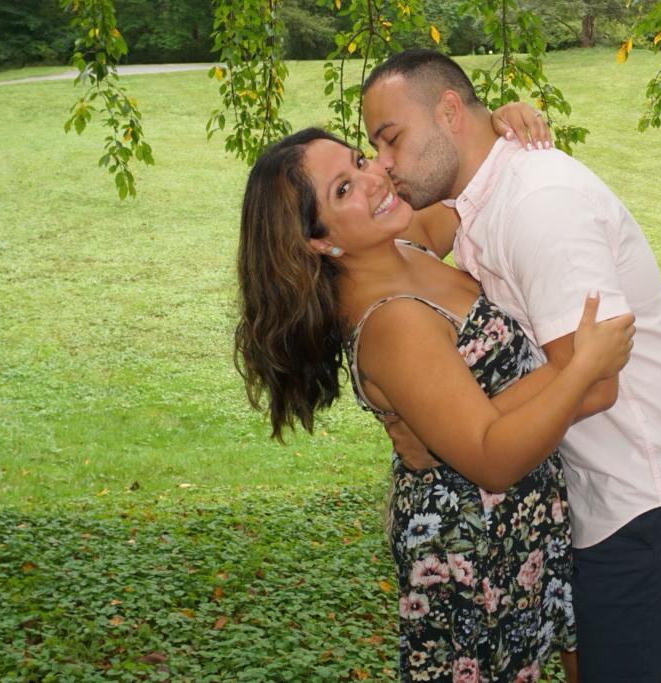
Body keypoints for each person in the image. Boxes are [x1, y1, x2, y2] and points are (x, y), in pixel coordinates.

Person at [360, 49, 661, 682]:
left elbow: (597, 379)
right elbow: (372, 260)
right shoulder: (479, 201)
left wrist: (451, 435)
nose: (383, 163)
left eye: (390, 138)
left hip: (640, 498)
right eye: (373, 146)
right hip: (585, 496)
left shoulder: (538, 202)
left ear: (448, 111)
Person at [233, 111, 637, 681]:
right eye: (343, 189)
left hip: (519, 523)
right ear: (318, 241)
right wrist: (580, 368)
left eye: (358, 159)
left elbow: (472, 179)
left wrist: (492, 121)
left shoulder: (406, 242)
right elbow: (491, 457)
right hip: (471, 547)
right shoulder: (393, 323)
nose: (374, 178)